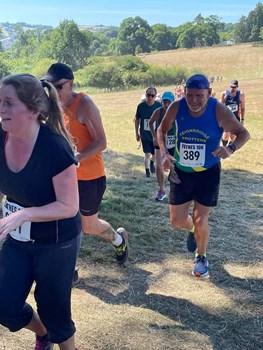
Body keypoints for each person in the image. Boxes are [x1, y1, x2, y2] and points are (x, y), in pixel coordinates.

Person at [0, 73, 81, 350]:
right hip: (18, 239)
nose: (1, 109)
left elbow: (69, 206)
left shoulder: (54, 147)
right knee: (4, 305)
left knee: (55, 310)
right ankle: (42, 333)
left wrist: (25, 214)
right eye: (0, 101)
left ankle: (57, 336)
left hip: (57, 241)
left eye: (9, 103)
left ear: (34, 111)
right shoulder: (1, 138)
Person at [157, 74, 250, 278]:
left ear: (209, 93)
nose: (194, 100)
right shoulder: (176, 107)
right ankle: (192, 232)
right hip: (181, 172)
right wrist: (164, 152)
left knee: (201, 219)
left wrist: (231, 148)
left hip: (208, 173)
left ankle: (201, 256)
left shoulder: (219, 110)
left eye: (199, 95)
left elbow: (244, 133)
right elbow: (161, 130)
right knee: (177, 220)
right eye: (190, 95)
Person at [42, 63, 129, 274]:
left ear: (70, 84)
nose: (53, 91)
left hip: (89, 176)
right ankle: (69, 270)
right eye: (49, 87)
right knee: (63, 221)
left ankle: (119, 239)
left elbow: (101, 142)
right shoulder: (52, 105)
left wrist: (76, 157)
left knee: (88, 226)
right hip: (63, 176)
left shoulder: (84, 104)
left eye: (58, 86)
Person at [149, 91, 175, 201]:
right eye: (164, 102)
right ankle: (161, 190)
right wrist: (154, 136)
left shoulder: (177, 112)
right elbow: (150, 123)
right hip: (160, 143)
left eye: (169, 102)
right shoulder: (158, 112)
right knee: (159, 166)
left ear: (173, 102)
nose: (166, 104)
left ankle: (174, 189)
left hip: (173, 143)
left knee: (174, 167)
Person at [135, 87, 162, 178]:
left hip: (155, 135)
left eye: (152, 95)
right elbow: (137, 120)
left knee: (154, 153)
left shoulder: (159, 106)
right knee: (147, 153)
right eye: (148, 95)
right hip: (145, 134)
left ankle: (152, 162)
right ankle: (147, 172)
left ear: (155, 96)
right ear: (145, 95)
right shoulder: (141, 106)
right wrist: (137, 133)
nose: (150, 97)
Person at [221, 79, 245, 146]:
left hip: (235, 119)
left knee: (233, 138)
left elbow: (243, 108)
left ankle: (228, 150)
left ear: (237, 87)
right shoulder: (224, 94)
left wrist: (242, 120)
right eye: (231, 87)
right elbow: (219, 107)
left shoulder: (241, 95)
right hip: (226, 119)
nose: (232, 88)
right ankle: (224, 146)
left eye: (234, 87)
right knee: (225, 137)